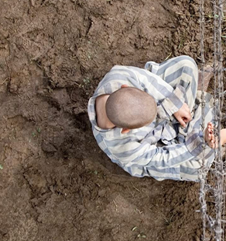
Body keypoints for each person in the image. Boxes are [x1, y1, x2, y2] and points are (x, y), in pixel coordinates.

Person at [87, 56, 216, 181]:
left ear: (125, 87)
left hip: (165, 106)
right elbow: (160, 158)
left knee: (186, 65)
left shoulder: (118, 76)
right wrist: (193, 146)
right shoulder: (123, 147)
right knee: (198, 166)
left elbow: (149, 82)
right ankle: (191, 126)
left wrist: (175, 105)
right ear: (126, 130)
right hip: (152, 142)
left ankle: (188, 120)